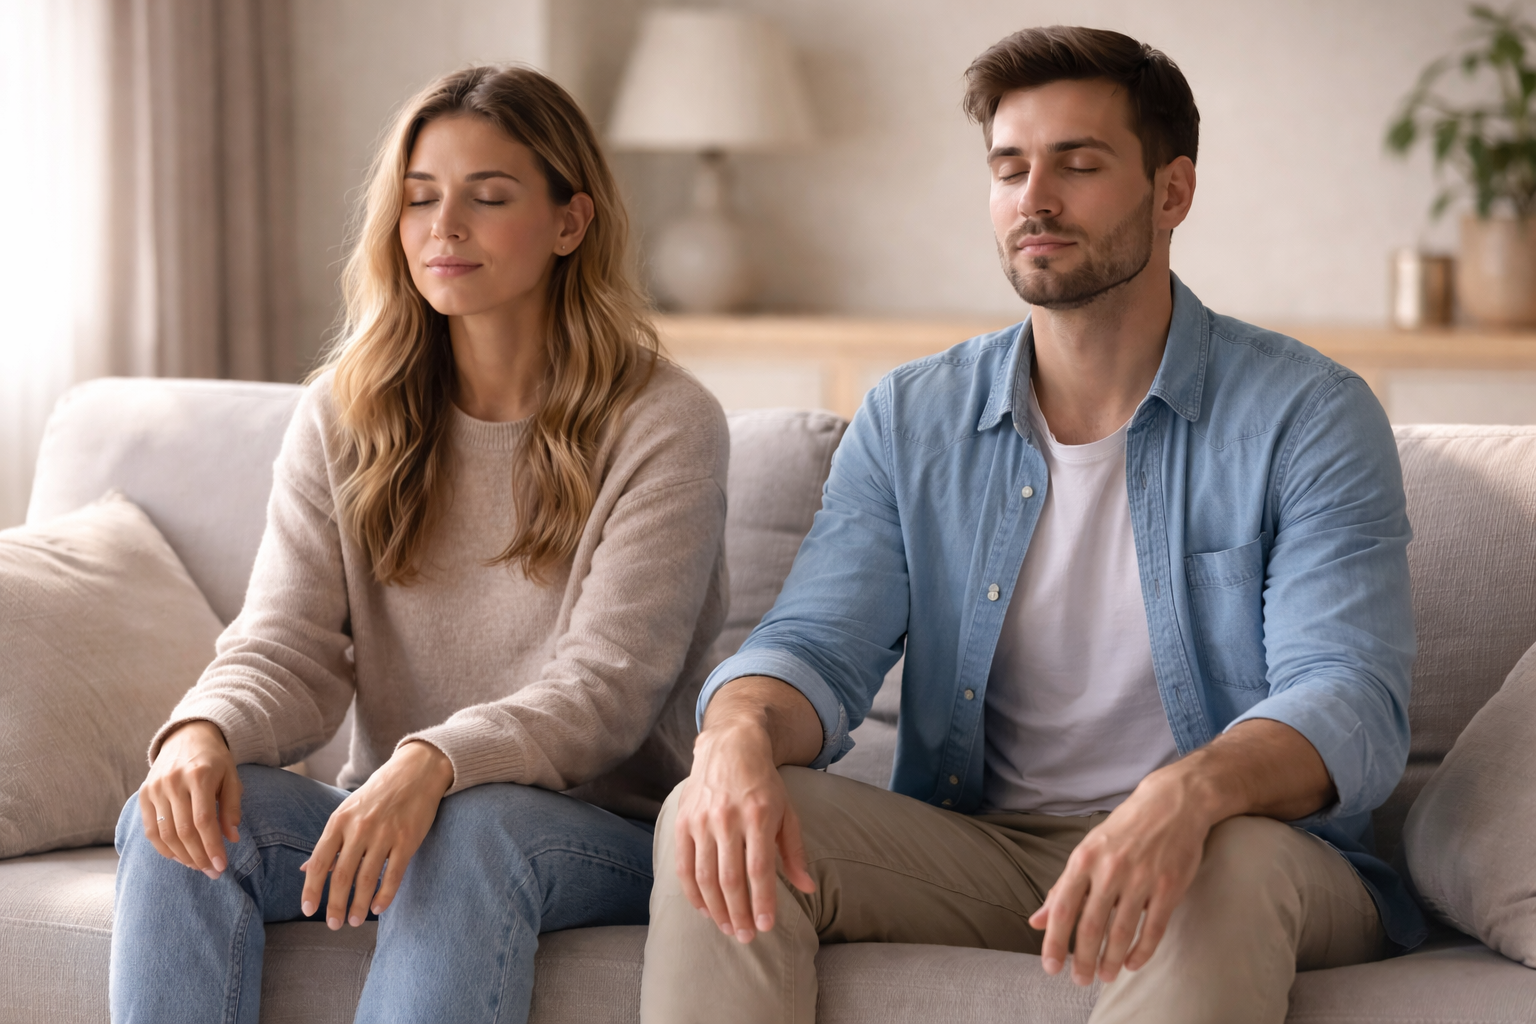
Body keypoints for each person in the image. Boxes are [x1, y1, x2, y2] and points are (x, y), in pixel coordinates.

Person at [641, 25, 1424, 1024]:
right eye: (1010, 168)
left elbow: (1349, 696)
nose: (1034, 199)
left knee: (1218, 860)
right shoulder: (914, 416)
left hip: (1241, 849)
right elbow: (815, 643)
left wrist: (1185, 795)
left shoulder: (1307, 415)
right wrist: (735, 735)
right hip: (982, 846)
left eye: (1078, 165)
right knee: (716, 812)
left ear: (1173, 192)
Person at [110, 65, 729, 1024]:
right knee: (175, 821)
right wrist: (203, 732)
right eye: (420, 198)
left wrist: (434, 762)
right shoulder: (344, 412)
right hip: (395, 801)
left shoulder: (664, 421)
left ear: (570, 222)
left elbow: (606, 691)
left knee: (469, 828)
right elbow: (285, 644)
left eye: (490, 197)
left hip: (594, 828)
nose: (446, 228)